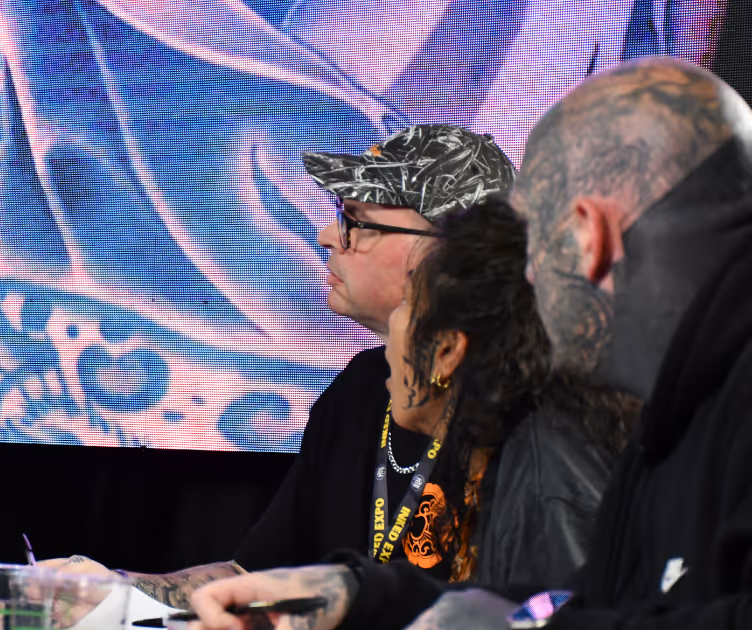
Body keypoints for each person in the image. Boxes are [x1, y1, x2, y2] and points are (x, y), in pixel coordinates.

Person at [189, 55, 752, 630]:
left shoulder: (590, 440)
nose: (523, 276)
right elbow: (577, 606)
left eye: (530, 242)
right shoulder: (675, 420)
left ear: (591, 235)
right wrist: (368, 595)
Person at [39, 124, 520, 606]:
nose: (328, 235)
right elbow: (255, 577)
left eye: (358, 222)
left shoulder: (536, 415)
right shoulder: (360, 389)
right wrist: (114, 593)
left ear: (448, 252)